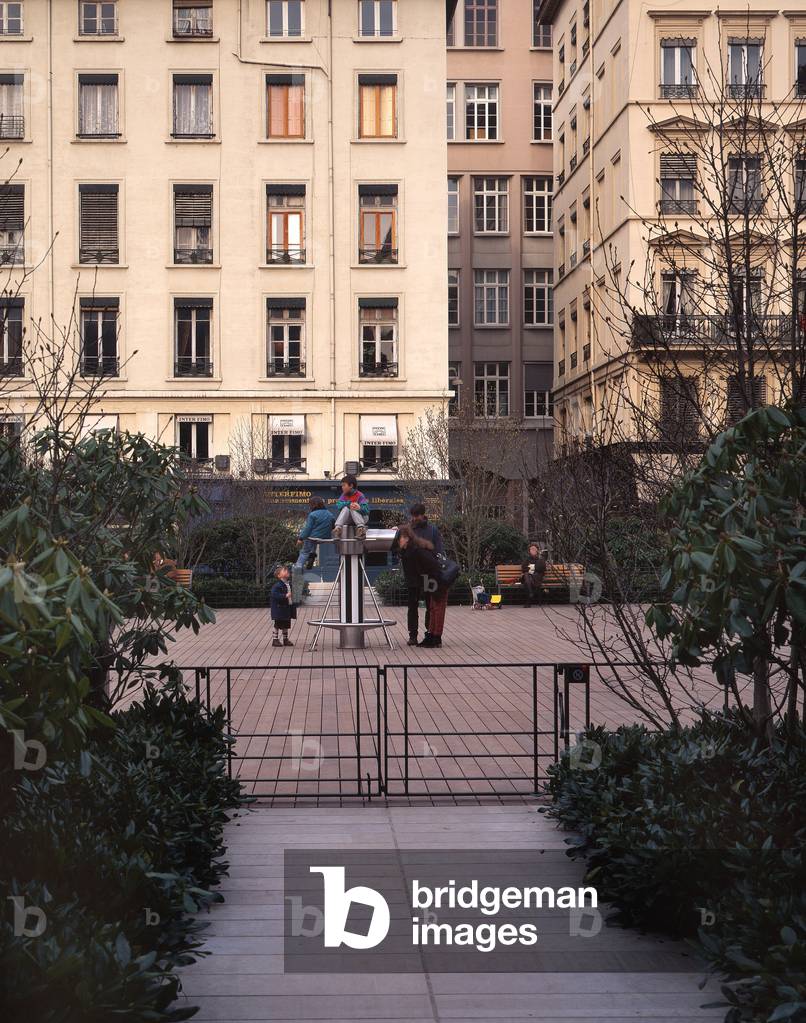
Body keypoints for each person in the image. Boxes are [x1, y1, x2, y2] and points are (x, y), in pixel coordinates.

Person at [398, 502, 445, 645]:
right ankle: (413, 635)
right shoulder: (406, 530)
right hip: (412, 572)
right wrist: (402, 547)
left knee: (430, 604)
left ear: (423, 515)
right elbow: (398, 551)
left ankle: (429, 633)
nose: (414, 518)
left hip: (428, 572)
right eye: (412, 516)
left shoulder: (432, 530)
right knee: (413, 605)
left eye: (416, 516)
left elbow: (439, 551)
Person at [294, 496, 335, 570]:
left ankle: (298, 568)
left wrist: (300, 538)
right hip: (325, 538)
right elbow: (333, 526)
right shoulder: (330, 514)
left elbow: (308, 528)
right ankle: (312, 555)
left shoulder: (312, 515)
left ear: (312, 505)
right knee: (313, 542)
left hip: (313, 538)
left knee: (304, 552)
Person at [332, 474, 369, 539]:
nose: (342, 487)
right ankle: (338, 529)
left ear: (351, 486)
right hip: (349, 519)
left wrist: (360, 508)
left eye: (344, 485)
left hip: (362, 519)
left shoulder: (360, 495)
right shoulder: (343, 495)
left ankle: (361, 530)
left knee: (352, 507)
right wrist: (349, 504)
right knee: (347, 507)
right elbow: (338, 505)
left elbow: (367, 511)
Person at [270, 564, 295, 647]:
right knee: (277, 624)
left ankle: (285, 639)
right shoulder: (277, 586)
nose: (287, 571)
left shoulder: (288, 584)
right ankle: (275, 639)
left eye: (287, 570)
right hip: (279, 609)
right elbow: (274, 595)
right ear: (279, 575)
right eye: (284, 571)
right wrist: (284, 596)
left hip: (286, 608)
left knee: (286, 624)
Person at [521, 543, 547, 608]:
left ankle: (529, 600)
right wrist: (532, 569)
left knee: (527, 581)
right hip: (529, 577)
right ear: (529, 551)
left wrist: (532, 567)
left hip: (537, 577)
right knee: (527, 575)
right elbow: (523, 568)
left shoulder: (540, 559)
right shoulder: (527, 559)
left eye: (534, 549)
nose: (533, 550)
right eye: (531, 549)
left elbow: (542, 569)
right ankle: (530, 593)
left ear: (537, 550)